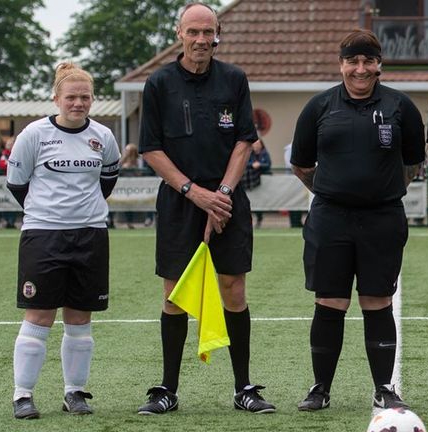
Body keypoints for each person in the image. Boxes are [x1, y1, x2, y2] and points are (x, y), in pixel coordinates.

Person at [137, 1, 275, 415]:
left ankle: (243, 388)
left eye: (207, 32)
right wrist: (194, 192)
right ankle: (167, 390)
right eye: (192, 32)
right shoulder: (158, 83)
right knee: (175, 295)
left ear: (218, 35)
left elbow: (243, 142)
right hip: (180, 201)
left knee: (233, 289)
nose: (200, 40)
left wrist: (224, 195)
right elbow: (150, 148)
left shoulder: (233, 79)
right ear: (179, 34)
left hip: (228, 202)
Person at [291, 28, 425, 411]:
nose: (360, 69)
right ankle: (320, 388)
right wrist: (334, 189)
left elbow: (413, 162)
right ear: (341, 64)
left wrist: (379, 190)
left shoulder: (401, 107)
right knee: (330, 302)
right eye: (353, 61)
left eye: (368, 60)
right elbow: (301, 165)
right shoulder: (318, 107)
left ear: (379, 64)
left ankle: (384, 387)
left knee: (377, 301)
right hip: (330, 219)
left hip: (383, 219)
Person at [5, 62, 121, 419]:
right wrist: (48, 213)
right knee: (39, 316)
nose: (78, 103)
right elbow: (17, 183)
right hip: (43, 235)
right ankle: (22, 395)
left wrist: (82, 214)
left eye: (85, 97)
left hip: (90, 235)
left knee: (79, 319)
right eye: (71, 97)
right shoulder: (34, 135)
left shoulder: (103, 136)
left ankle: (75, 393)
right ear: (56, 98)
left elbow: (107, 180)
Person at [241, 139, 271, 228]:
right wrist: (252, 165)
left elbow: (268, 164)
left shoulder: (264, 153)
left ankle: (259, 218)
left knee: (260, 202)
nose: (256, 145)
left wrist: (260, 165)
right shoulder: (249, 153)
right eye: (254, 144)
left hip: (262, 183)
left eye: (258, 144)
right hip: (250, 182)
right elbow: (244, 163)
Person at [283, 142, 304, 228]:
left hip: (298, 178)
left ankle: (298, 220)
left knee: (299, 200)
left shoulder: (299, 147)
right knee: (292, 200)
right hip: (291, 178)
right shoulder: (289, 149)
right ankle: (293, 221)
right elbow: (289, 164)